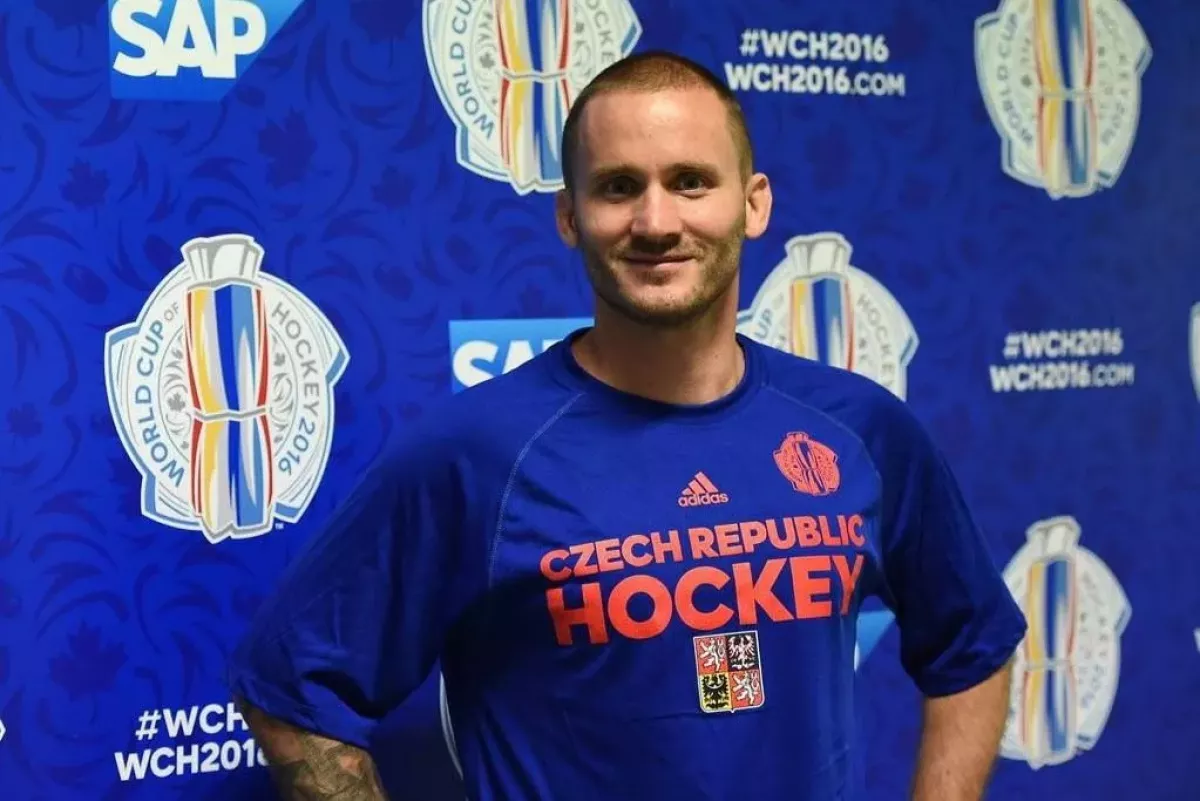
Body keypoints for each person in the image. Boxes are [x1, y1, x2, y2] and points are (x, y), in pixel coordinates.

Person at [228, 50, 1027, 801]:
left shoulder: (858, 430)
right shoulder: (477, 453)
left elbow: (974, 644)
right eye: (617, 187)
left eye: (690, 181)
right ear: (569, 215)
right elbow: (290, 688)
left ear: (753, 204)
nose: (655, 221)